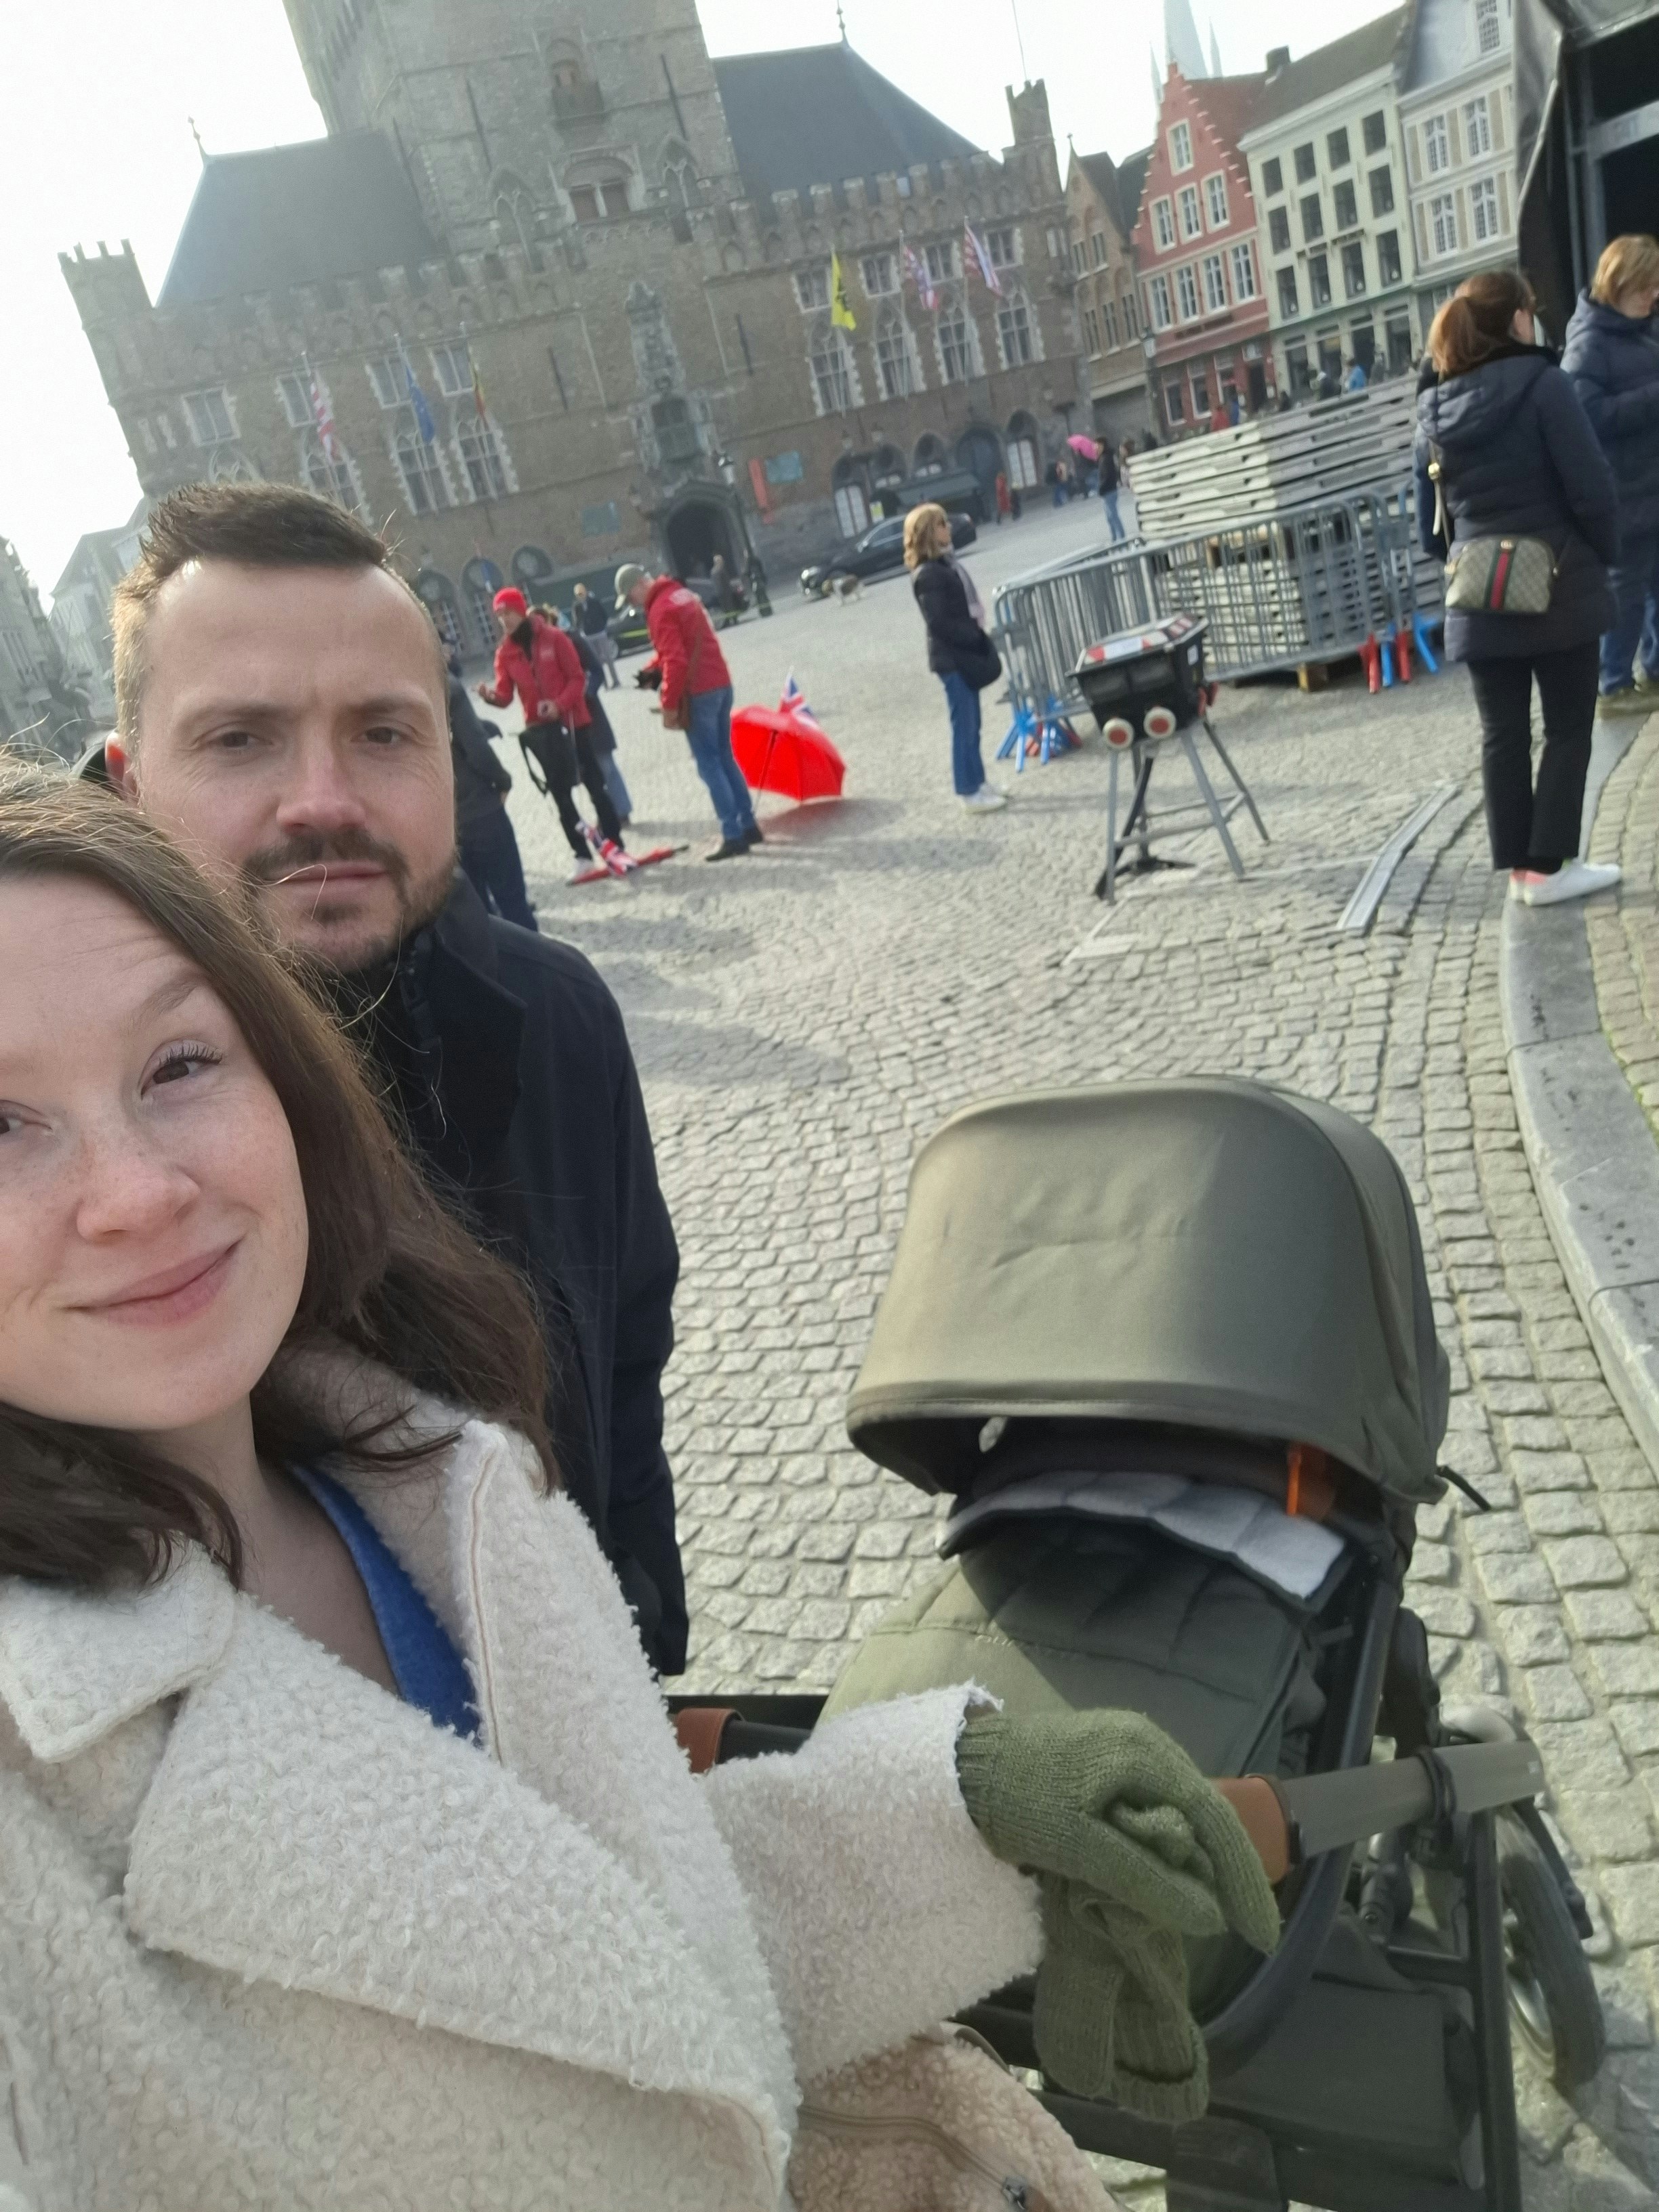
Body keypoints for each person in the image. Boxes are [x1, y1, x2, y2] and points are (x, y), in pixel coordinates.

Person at [0, 770, 1288, 2206]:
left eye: (178, 1066)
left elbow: (600, 1968)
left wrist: (957, 1818)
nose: (134, 1191)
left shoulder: (425, 1489)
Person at [102, 483, 688, 1673]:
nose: (323, 799)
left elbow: (625, 1360)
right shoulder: (52, 1124)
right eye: (240, 737)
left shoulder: (558, 1016)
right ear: (128, 786)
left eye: (382, 732)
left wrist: (639, 1640)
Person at [1415, 269, 1623, 908]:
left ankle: (1518, 872)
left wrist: (1474, 561)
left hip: (1479, 596)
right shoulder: (1545, 385)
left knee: (1501, 733)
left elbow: (1430, 524)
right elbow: (1591, 488)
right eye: (1531, 310)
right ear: (1515, 320)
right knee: (1567, 726)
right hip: (1559, 583)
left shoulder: (1433, 408)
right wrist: (1603, 556)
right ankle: (1550, 867)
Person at [1563, 234, 1659, 712]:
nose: (1654, 294)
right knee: (1627, 591)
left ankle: (1653, 672)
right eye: (1646, 285)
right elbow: (1585, 414)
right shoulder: (1591, 342)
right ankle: (1615, 683)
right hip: (1625, 489)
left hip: (1649, 483)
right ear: (1619, 283)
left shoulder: (1643, 330)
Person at [614, 561, 760, 861]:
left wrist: (668, 703)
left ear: (639, 586)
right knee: (725, 757)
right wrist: (653, 670)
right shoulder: (682, 594)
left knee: (709, 764)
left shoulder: (659, 610)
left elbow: (677, 661)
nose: (633, 604)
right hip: (720, 682)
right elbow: (684, 647)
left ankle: (732, 834)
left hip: (699, 692)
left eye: (630, 598)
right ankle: (749, 825)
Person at [480, 587, 626, 882]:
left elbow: (577, 678)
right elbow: (506, 695)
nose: (504, 620)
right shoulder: (505, 653)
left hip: (575, 723)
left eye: (507, 613)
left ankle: (615, 845)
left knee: (595, 786)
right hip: (541, 732)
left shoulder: (554, 638)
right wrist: (490, 696)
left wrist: (559, 704)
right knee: (561, 796)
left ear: (520, 611)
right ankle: (582, 855)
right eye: (499, 616)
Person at [905, 501, 1004, 814]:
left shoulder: (944, 565)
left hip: (961, 654)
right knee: (963, 726)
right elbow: (939, 622)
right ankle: (968, 790)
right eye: (942, 524)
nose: (948, 528)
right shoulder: (929, 573)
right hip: (951, 658)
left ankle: (979, 781)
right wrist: (973, 636)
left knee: (973, 724)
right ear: (928, 534)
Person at [447, 651, 536, 931]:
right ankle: (533, 970)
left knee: (478, 917)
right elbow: (475, 749)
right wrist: (503, 780)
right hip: (481, 812)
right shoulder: (446, 685)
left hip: (446, 826)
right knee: (513, 904)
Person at [562, 612, 633, 825]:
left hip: (590, 712)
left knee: (605, 764)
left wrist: (587, 692)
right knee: (587, 770)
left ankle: (622, 811)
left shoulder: (573, 640)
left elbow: (596, 671)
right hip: (567, 719)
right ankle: (606, 814)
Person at [572, 578, 620, 688]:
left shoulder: (594, 602)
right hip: (588, 636)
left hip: (599, 633)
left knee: (608, 658)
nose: (581, 596)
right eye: (578, 594)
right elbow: (577, 622)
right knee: (597, 661)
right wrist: (581, 630)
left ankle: (616, 680)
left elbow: (604, 615)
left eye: (582, 593)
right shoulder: (577, 606)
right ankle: (605, 684)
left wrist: (601, 627)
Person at [1100, 441, 1127, 543]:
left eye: (1097, 445)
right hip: (1108, 490)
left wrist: (1101, 488)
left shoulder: (1106, 459)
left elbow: (1107, 476)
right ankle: (1115, 537)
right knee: (1110, 517)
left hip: (1109, 491)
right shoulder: (1104, 458)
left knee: (1113, 516)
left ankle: (1121, 537)